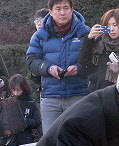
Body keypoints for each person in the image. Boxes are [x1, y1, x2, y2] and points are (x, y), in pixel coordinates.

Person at [26, 0, 90, 134]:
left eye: (66, 8)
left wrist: (79, 68)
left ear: (72, 10)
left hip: (78, 96)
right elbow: (31, 61)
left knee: (78, 141)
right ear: (50, 12)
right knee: (50, 144)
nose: (62, 12)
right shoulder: (40, 35)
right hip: (50, 98)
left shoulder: (85, 32)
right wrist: (48, 68)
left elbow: (95, 63)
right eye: (58, 8)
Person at [0, 74, 41, 146]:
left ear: (24, 88)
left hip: (25, 142)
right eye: (13, 90)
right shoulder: (6, 102)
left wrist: (23, 121)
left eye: (18, 90)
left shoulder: (31, 103)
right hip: (8, 145)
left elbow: (37, 122)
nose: (16, 93)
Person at [78, 8, 119, 91]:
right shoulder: (100, 42)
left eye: (115, 25)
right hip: (98, 91)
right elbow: (83, 61)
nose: (112, 29)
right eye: (108, 25)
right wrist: (89, 38)